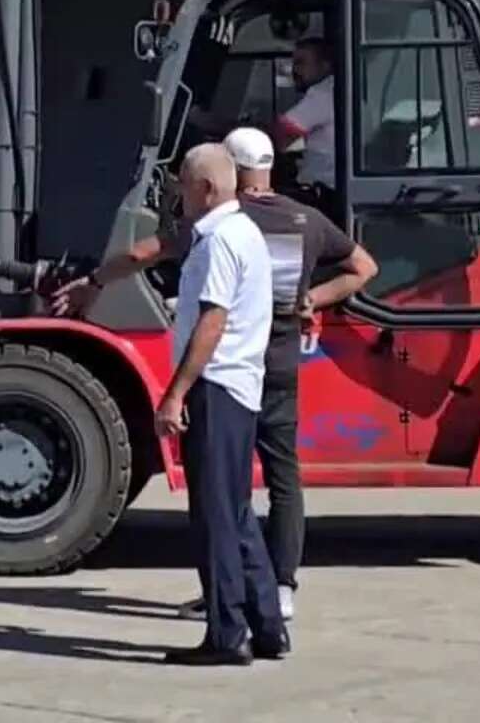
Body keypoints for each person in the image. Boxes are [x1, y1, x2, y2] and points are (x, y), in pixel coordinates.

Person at [52, 127, 378, 622]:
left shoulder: (222, 222)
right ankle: (282, 585)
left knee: (227, 489)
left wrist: (93, 282)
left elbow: (143, 255)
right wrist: (314, 298)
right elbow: (363, 266)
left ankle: (227, 591)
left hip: (228, 368)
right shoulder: (306, 220)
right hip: (283, 363)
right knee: (283, 474)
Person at [144, 142, 286, 665]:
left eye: (182, 184)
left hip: (217, 386)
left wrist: (175, 392)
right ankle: (267, 626)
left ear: (205, 189)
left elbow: (212, 320)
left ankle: (227, 635)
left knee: (214, 517)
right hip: (238, 386)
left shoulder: (219, 241)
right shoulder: (241, 232)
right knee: (236, 511)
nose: (178, 194)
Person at [276, 37, 336, 209]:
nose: (294, 70)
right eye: (294, 63)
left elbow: (281, 135)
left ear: (324, 66)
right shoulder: (339, 89)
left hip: (324, 195)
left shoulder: (323, 94)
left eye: (301, 63)